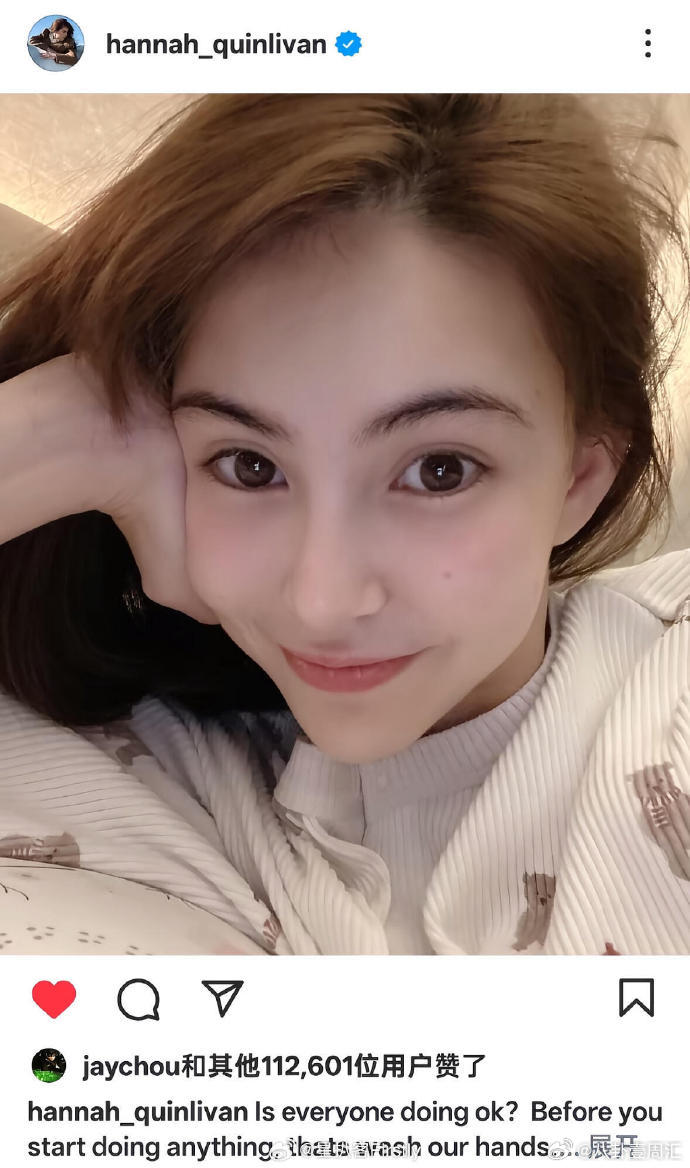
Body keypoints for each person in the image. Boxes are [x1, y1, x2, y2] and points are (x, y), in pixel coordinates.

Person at [0, 94, 689, 955]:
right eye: (250, 465)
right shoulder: (146, 771)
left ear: (582, 477)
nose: (321, 601)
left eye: (440, 470)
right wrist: (55, 433)